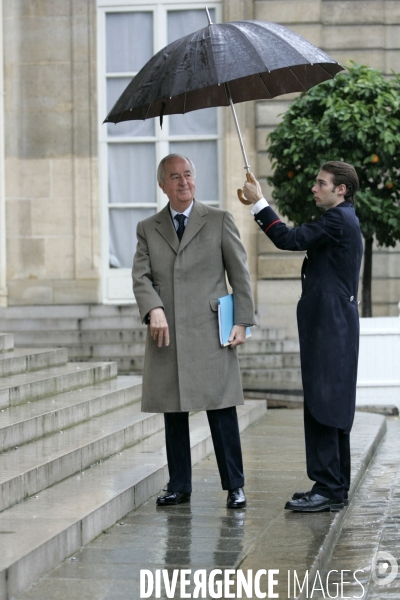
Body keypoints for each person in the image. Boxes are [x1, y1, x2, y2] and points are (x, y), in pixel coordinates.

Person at [132, 154, 256, 508]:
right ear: (162, 185)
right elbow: (140, 276)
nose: (183, 182)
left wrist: (242, 321)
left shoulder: (218, 220)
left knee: (222, 409)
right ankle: (179, 485)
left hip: (210, 330)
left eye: (188, 174)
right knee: (174, 411)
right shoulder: (148, 227)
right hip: (166, 332)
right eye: (174, 177)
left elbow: (240, 274)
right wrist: (153, 308)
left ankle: (235, 486)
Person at [243, 161, 363, 512]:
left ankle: (327, 488)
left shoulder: (338, 220)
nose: (315, 187)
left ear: (340, 189)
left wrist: (258, 202)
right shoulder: (345, 219)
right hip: (334, 323)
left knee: (324, 402)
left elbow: (288, 238)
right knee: (332, 403)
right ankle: (334, 487)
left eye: (321, 183)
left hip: (330, 325)